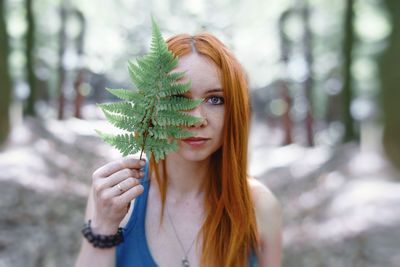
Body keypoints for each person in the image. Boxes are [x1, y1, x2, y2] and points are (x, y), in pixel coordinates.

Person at [75, 32, 282, 267]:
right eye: (178, 98)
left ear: (235, 110)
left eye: (215, 99)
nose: (196, 119)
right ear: (152, 107)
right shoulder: (117, 196)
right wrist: (103, 226)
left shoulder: (260, 207)